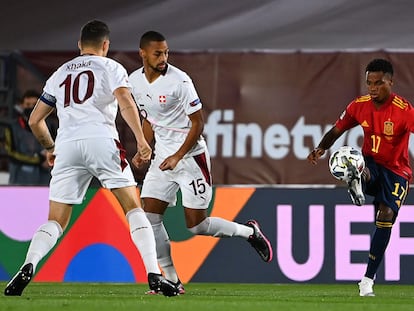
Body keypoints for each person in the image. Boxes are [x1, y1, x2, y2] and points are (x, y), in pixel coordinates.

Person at [4, 20, 178, 297]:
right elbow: (125, 102)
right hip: (101, 141)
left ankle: (28, 265)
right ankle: (153, 274)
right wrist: (142, 140)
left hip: (67, 145)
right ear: (106, 45)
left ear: (79, 45)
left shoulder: (60, 73)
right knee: (134, 208)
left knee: (56, 220)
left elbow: (36, 120)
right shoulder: (112, 67)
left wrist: (50, 148)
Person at [129, 31, 273, 294]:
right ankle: (172, 279)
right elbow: (149, 118)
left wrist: (177, 156)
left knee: (197, 226)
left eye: (166, 52)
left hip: (191, 158)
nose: (163, 58)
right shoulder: (133, 82)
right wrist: (144, 146)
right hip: (163, 159)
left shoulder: (180, 81)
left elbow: (198, 123)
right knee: (149, 217)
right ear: (143, 53)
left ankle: (249, 233)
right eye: (158, 53)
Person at [307, 58, 414, 297]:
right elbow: (337, 129)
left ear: (391, 82)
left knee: (386, 216)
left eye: (378, 83)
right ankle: (359, 178)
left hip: (397, 172)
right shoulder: (359, 105)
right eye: (369, 83)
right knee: (357, 162)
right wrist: (321, 148)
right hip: (373, 164)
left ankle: (367, 280)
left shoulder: (404, 111)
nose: (373, 88)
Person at [4, 90, 51, 185]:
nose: (31, 108)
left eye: (34, 105)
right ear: (21, 106)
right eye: (28, 104)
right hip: (19, 181)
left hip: (44, 180)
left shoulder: (50, 126)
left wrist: (50, 158)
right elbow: (10, 153)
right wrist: (38, 160)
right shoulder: (12, 128)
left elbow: (56, 149)